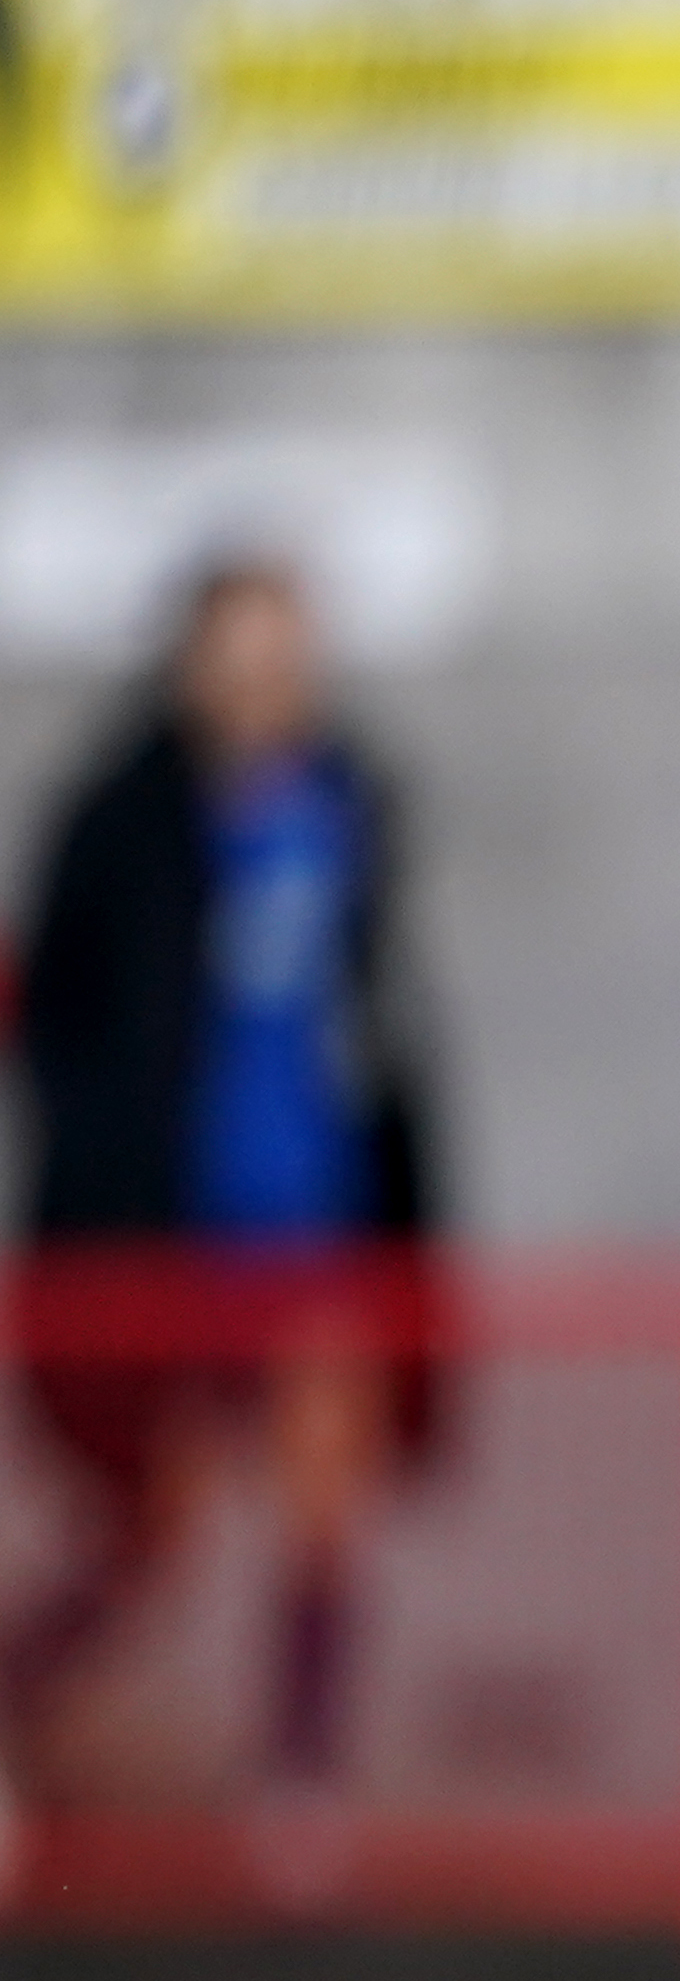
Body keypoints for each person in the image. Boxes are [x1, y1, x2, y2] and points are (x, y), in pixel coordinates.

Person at [8, 554, 449, 1824]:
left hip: (310, 1219)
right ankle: (17, 1714)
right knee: (156, 1524)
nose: (266, 680)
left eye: (285, 652)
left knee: (325, 1497)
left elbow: (370, 1014)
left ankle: (302, 1778)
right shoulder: (123, 821)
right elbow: (64, 1015)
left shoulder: (349, 804)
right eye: (242, 653)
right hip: (168, 1229)